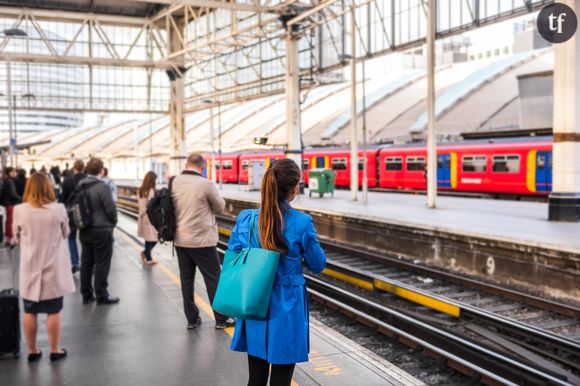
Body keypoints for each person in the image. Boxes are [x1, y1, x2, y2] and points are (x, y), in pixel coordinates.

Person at [228, 158, 326, 386]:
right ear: (293, 188)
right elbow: (318, 264)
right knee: (281, 380)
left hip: (253, 301)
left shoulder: (246, 218)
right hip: (287, 306)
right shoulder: (302, 222)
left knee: (256, 377)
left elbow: (233, 254)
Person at [14, 172, 74, 362]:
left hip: (30, 268)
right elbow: (66, 233)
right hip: (52, 269)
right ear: (48, 187)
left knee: (30, 311)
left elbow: (15, 237)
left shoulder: (19, 210)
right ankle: (55, 350)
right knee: (53, 310)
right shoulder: (58, 209)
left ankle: (32, 351)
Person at [172, 153, 234, 330]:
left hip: (181, 239)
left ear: (186, 164)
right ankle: (221, 319)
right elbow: (220, 208)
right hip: (202, 240)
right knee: (213, 278)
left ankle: (192, 319)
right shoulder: (204, 184)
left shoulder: (175, 182)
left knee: (186, 280)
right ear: (202, 166)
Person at [78, 158, 119, 305]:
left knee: (86, 263)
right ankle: (102, 294)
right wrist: (113, 223)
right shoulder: (103, 187)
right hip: (101, 229)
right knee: (102, 263)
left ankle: (86, 294)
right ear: (101, 170)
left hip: (84, 230)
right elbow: (110, 209)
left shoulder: (80, 185)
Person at [60, 160, 87, 273]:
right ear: (84, 167)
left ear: (74, 168)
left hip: (71, 214)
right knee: (86, 239)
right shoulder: (88, 179)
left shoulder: (68, 181)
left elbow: (62, 200)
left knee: (71, 238)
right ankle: (87, 263)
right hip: (86, 213)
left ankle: (75, 262)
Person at [137, 171, 158, 265]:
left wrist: (141, 213)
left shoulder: (139, 190)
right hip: (149, 216)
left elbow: (140, 204)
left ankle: (146, 254)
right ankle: (148, 258)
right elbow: (150, 205)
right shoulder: (151, 190)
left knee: (148, 238)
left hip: (142, 216)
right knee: (154, 238)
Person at [1, 167, 21, 247]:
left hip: (6, 203)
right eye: (14, 172)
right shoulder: (10, 182)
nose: (15, 173)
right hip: (10, 204)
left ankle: (7, 239)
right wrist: (21, 198)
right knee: (10, 222)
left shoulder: (5, 181)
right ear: (10, 172)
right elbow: (12, 194)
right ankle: (11, 239)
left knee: (8, 222)